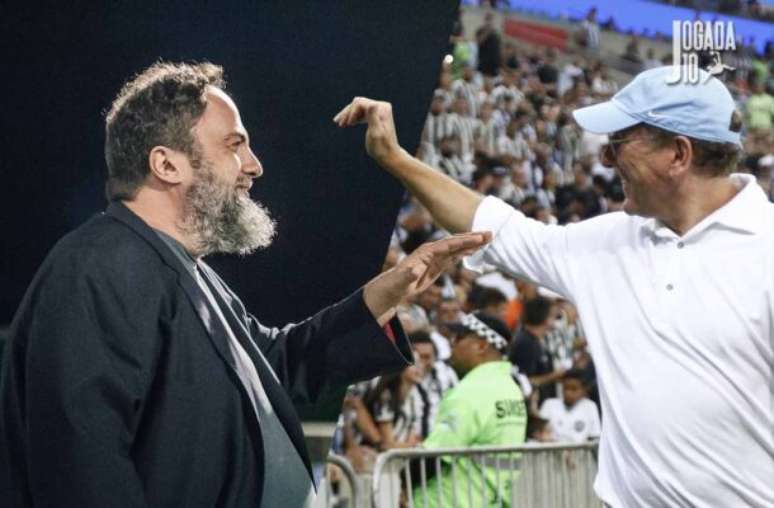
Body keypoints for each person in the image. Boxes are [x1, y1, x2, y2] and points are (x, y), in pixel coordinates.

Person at [0, 62, 492, 508]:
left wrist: (388, 292)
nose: (254, 165)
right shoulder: (98, 267)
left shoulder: (186, 270)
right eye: (234, 145)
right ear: (166, 164)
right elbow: (84, 469)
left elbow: (275, 365)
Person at [334, 65, 774, 506]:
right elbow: (496, 228)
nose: (605, 160)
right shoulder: (608, 242)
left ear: (678, 154)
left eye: (619, 143)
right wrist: (394, 158)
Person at [411, 313, 527, 508]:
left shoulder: (472, 391)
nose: (452, 344)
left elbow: (436, 454)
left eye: (458, 338)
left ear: (481, 346)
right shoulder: (511, 389)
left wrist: (403, 480)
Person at [539, 370, 601, 443]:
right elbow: (540, 433)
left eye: (574, 389)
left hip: (580, 449)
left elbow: (594, 436)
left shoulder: (590, 406)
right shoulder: (549, 404)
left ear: (584, 390)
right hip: (553, 448)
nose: (568, 393)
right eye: (566, 388)